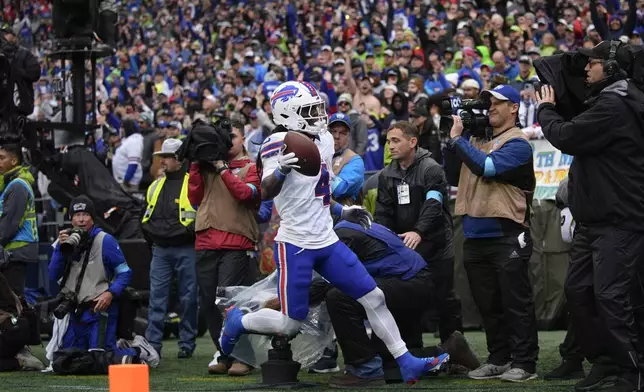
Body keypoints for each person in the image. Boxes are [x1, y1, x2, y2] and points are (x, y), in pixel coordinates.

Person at [219, 81, 449, 384]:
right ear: (287, 114)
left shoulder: (324, 139)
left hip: (326, 238)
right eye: (308, 110)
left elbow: (318, 190)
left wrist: (342, 211)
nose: (317, 115)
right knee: (289, 324)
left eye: (316, 108)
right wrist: (282, 170)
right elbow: (265, 191)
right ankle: (239, 320)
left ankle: (406, 361)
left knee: (374, 297)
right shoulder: (277, 143)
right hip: (296, 243)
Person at [536, 40, 644, 392]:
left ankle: (632, 372)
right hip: (594, 220)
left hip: (619, 219)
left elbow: (565, 136)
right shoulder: (608, 101)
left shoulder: (614, 105)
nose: (586, 69)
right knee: (579, 290)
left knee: (612, 296)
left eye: (593, 63)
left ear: (611, 67)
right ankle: (605, 361)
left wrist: (546, 110)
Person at [444, 84, 539, 382]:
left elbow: (486, 167)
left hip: (506, 231)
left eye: (497, 103)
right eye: (488, 103)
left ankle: (525, 363)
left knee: (515, 302)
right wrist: (451, 142)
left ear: (514, 108)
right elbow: (450, 175)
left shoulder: (519, 143)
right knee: (488, 304)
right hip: (474, 231)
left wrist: (459, 140)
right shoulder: (476, 140)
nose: (491, 108)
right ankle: (499, 357)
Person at [324, 221, 474, 388]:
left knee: (339, 296)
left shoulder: (341, 233)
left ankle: (365, 370)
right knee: (390, 362)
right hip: (411, 281)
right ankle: (448, 351)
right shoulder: (352, 222)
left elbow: (333, 277)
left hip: (408, 283)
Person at [375, 121, 461, 344]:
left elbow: (434, 204)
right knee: (407, 300)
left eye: (396, 140)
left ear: (412, 142)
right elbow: (383, 213)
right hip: (405, 248)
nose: (390, 146)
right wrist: (385, 241)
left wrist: (418, 231)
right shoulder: (386, 175)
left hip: (437, 246)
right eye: (388, 142)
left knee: (445, 301)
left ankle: (454, 356)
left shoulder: (431, 168)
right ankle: (413, 351)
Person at [188, 121, 261, 376]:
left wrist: (222, 169)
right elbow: (194, 199)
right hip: (206, 240)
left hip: (237, 242)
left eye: (232, 136)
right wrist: (196, 163)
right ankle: (224, 352)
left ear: (243, 139)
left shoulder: (252, 167)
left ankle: (244, 356)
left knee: (230, 302)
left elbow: (245, 194)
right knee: (208, 302)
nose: (227, 141)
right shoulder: (205, 167)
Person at [48, 196, 157, 366]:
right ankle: (121, 347)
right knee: (67, 358)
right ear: (71, 218)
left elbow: (125, 273)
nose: (81, 219)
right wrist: (60, 251)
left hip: (100, 309)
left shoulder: (104, 240)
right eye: (77, 215)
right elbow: (53, 275)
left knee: (99, 357)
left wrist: (110, 293)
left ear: (93, 217)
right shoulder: (64, 242)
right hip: (75, 310)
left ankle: (139, 350)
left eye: (85, 214)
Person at [141, 138, 198, 359]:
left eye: (166, 157)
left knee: (189, 299)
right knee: (157, 299)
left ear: (179, 159)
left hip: (186, 248)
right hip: (162, 249)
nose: (162, 161)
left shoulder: (192, 182)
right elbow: (145, 215)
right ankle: (153, 345)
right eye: (161, 157)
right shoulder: (155, 186)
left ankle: (187, 344)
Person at [0, 144, 38, 297]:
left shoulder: (17, 186)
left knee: (12, 304)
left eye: (2, 158)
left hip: (15, 252)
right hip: (11, 253)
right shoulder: (10, 184)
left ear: (14, 160)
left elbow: (9, 224)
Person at [328, 113, 365, 206]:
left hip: (344, 216)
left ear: (348, 137)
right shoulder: (320, 154)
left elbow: (338, 189)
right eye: (333, 131)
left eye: (342, 133)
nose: (337, 136)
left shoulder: (355, 160)